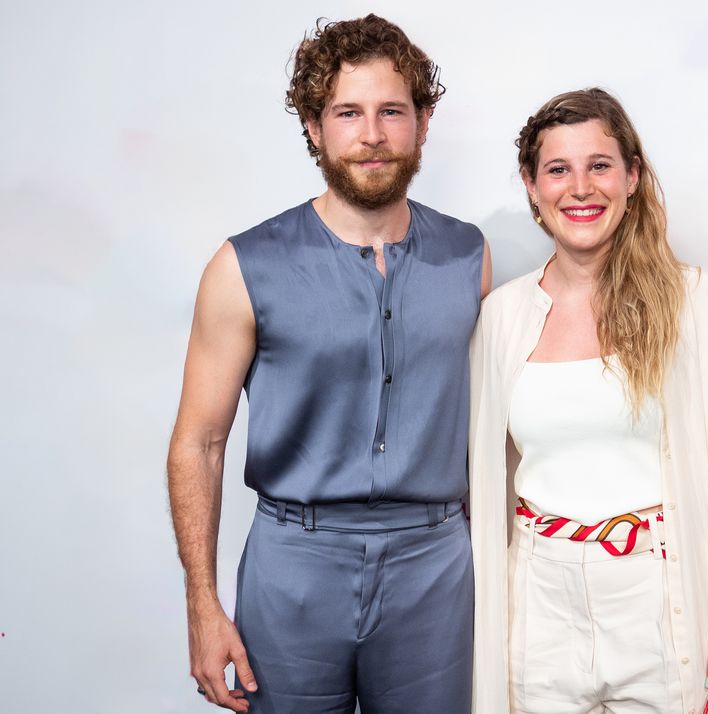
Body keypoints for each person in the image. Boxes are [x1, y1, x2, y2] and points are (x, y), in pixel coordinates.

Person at [167, 14, 490, 713]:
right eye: (348, 113)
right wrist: (201, 603)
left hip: (435, 566)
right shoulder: (243, 266)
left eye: (391, 111)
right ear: (314, 126)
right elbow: (200, 442)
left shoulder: (471, 256)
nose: (371, 135)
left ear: (423, 122)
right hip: (294, 566)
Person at [468, 88, 708, 713]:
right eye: (558, 169)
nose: (581, 188)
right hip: (538, 600)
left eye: (599, 165)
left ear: (631, 176)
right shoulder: (501, 318)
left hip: (658, 589)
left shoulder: (691, 302)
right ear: (532, 187)